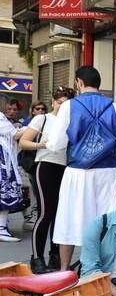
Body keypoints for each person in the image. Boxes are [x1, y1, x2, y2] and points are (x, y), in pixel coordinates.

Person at [46, 66, 116, 268]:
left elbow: (56, 144)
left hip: (77, 172)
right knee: (106, 221)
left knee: (69, 220)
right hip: (109, 171)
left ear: (79, 82)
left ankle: (64, 270)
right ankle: (101, 269)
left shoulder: (68, 106)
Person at [18, 87, 76, 270]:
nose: (61, 107)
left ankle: (55, 256)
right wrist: (44, 144)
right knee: (45, 213)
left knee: (60, 216)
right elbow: (23, 141)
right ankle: (37, 258)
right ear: (53, 102)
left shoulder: (71, 121)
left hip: (66, 169)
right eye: (59, 103)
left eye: (65, 104)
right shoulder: (43, 118)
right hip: (45, 166)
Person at [0, 93, 24, 242]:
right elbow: (14, 134)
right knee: (5, 191)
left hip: (5, 159)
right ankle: (1, 228)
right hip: (3, 161)